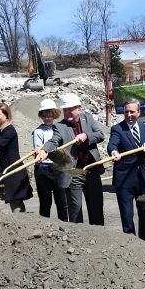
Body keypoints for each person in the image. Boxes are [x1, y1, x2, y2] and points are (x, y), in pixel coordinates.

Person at [37, 93, 105, 225]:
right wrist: (45, 150)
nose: (67, 112)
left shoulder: (88, 118)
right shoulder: (60, 126)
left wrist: (86, 136)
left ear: (78, 109)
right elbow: (54, 141)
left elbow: (100, 135)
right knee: (75, 210)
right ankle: (78, 238)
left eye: (70, 109)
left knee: (96, 207)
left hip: (91, 170)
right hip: (73, 173)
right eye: (65, 109)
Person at [108, 99, 145, 240]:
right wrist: (113, 152)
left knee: (144, 212)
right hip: (124, 179)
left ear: (139, 112)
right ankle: (130, 242)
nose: (129, 114)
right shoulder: (117, 128)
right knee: (127, 213)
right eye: (126, 111)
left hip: (142, 178)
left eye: (132, 112)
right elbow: (112, 145)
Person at [32, 99, 69, 221]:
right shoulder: (38, 131)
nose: (48, 118)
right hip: (43, 169)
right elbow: (38, 148)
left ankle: (65, 225)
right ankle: (45, 226)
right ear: (42, 116)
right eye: (45, 115)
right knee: (45, 201)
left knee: (62, 201)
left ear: (54, 115)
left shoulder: (58, 129)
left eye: (50, 115)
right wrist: (40, 151)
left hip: (58, 168)